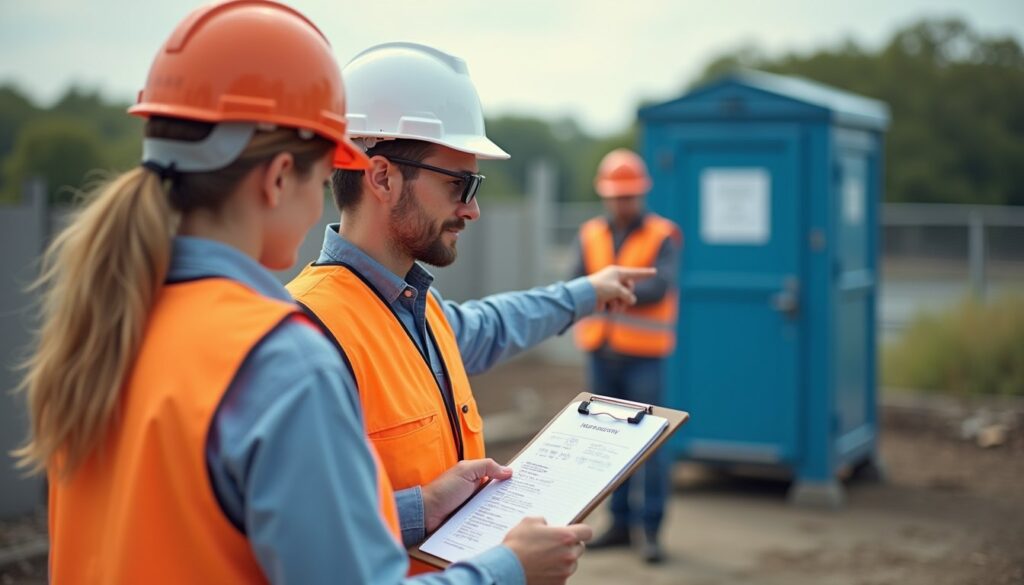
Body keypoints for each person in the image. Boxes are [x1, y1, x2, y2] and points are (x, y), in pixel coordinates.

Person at [13, 3, 590, 583]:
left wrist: (416, 509)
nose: (321, 201)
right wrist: (510, 569)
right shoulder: (277, 360)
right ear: (277, 178)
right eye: (319, 179)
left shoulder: (107, 329)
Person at [286, 42, 650, 573]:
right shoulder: (304, 335)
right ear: (382, 177)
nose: (473, 209)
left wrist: (588, 291)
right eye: (459, 183)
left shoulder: (418, 311)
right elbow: (299, 540)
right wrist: (489, 558)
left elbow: (494, 324)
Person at [571, 148, 681, 564]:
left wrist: (609, 292)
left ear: (641, 194)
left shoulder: (662, 235)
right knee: (608, 445)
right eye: (616, 195)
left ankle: (650, 531)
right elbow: (575, 282)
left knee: (650, 446)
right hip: (601, 352)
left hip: (643, 358)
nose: (622, 203)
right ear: (605, 196)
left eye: (628, 195)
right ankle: (619, 523)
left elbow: (661, 287)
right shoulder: (589, 234)